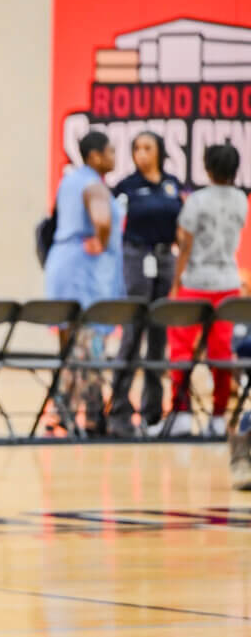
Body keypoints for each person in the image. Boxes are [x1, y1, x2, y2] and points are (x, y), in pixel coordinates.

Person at [44, 131, 124, 436]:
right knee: (89, 344)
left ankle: (63, 410)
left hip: (63, 266)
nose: (114, 157)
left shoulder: (70, 180)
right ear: (94, 156)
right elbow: (101, 219)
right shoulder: (93, 184)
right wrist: (101, 241)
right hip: (83, 272)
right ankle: (90, 415)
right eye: (110, 151)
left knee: (70, 346)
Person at [166, 143, 247, 439]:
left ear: (208, 168)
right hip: (227, 283)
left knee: (181, 350)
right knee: (221, 353)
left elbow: (185, 245)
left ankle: (182, 415)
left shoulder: (197, 201)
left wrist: (176, 283)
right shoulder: (241, 199)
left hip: (195, 282)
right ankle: (218, 417)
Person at [106, 132, 182, 437]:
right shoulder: (127, 187)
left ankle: (153, 414)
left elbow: (181, 227)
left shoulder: (171, 185)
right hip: (136, 258)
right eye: (136, 148)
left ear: (160, 151)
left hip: (165, 260)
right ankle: (120, 411)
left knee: (158, 337)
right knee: (132, 333)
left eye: (147, 148)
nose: (141, 153)